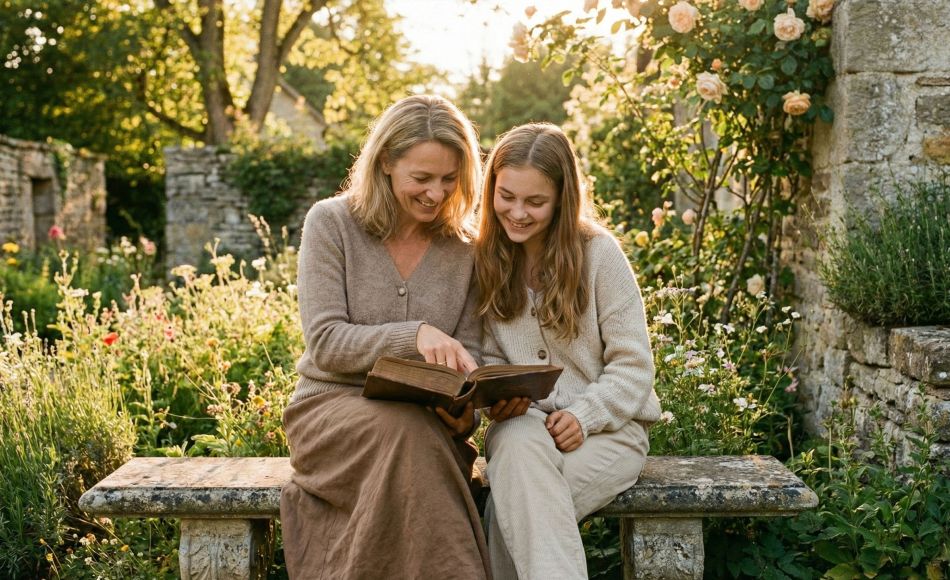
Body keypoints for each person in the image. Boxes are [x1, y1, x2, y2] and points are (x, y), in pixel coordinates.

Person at [280, 94, 491, 579]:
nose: (436, 194)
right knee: (406, 435)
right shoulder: (331, 223)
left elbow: (470, 356)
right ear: (385, 164)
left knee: (413, 435)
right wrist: (413, 335)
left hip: (425, 424)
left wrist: (466, 411)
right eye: (422, 178)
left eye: (449, 179)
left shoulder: (466, 249)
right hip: (329, 412)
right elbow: (325, 343)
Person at [474, 123, 663, 580]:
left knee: (508, 513)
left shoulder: (599, 255)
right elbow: (487, 357)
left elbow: (634, 365)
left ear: (562, 199)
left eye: (535, 202)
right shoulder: (486, 260)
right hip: (520, 427)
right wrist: (502, 396)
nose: (517, 213)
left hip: (611, 432)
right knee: (517, 447)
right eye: (506, 196)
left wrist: (584, 415)